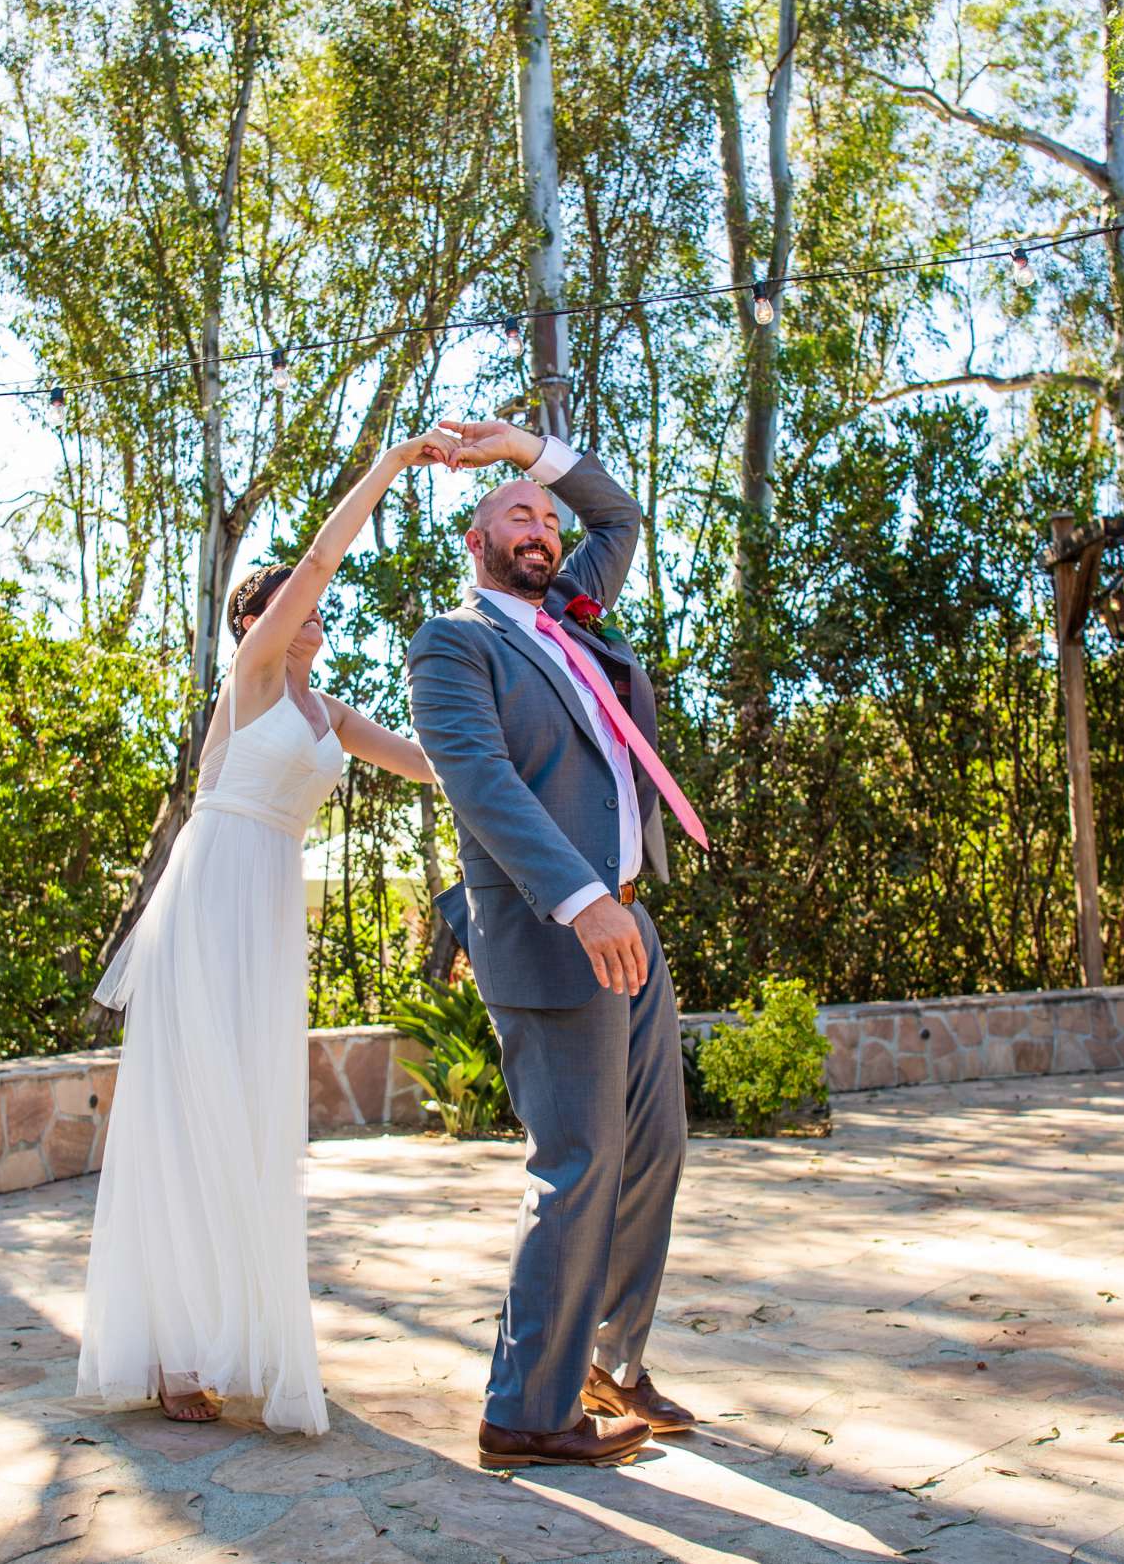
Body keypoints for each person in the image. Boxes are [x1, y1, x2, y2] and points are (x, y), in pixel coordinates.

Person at [74, 426, 457, 1434]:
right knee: (188, 1116)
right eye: (285, 599)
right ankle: (170, 1353)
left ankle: (231, 1335)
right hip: (210, 900)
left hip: (268, 909)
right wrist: (392, 465)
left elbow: (430, 764)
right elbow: (326, 554)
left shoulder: (328, 712)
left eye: (310, 603)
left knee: (250, 1121)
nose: (308, 610)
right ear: (253, 619)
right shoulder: (246, 678)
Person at [409, 420, 706, 1472]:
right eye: (514, 516)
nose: (537, 527)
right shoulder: (456, 644)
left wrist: (521, 452)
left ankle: (611, 1365)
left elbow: (617, 512)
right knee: (577, 1163)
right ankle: (526, 1413)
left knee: (652, 1154)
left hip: (629, 920)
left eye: (541, 513)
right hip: (560, 929)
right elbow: (482, 786)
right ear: (476, 540)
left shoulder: (571, 618)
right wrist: (582, 901)